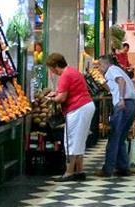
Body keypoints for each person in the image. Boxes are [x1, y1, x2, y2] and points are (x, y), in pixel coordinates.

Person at [45, 53, 96, 182]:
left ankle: (69, 173)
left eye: (51, 68)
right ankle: (79, 171)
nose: (51, 71)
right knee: (79, 140)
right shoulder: (73, 71)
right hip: (86, 106)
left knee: (71, 140)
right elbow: (69, 90)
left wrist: (51, 99)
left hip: (78, 108)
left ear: (55, 66)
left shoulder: (65, 75)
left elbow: (62, 98)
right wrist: (56, 93)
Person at [95, 54, 135, 177]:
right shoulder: (116, 70)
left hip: (122, 106)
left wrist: (120, 99)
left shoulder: (112, 69)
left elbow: (121, 81)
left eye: (99, 65)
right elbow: (114, 87)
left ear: (105, 63)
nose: (99, 68)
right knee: (120, 138)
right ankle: (123, 167)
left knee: (114, 137)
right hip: (131, 105)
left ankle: (107, 170)